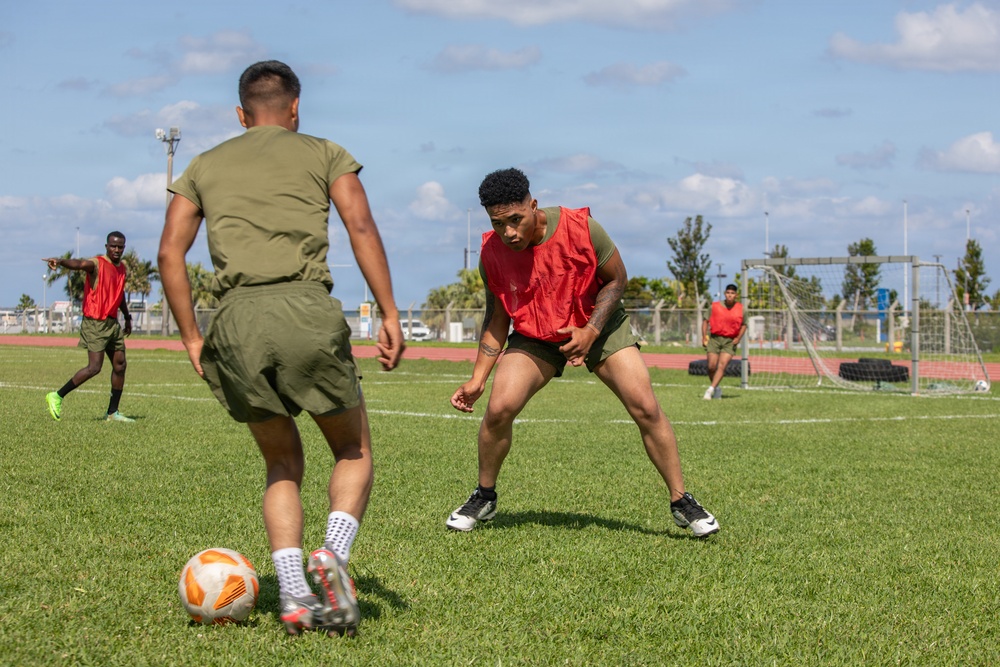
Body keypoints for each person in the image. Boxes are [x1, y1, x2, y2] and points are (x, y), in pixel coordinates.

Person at [157, 60, 404, 637]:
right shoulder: (324, 152)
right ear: (295, 108)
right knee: (352, 450)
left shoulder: (203, 164)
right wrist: (389, 313)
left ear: (241, 115)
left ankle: (292, 595)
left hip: (235, 320)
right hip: (305, 309)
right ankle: (333, 556)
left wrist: (193, 336)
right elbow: (361, 227)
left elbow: (170, 253)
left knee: (280, 462)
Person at [447, 168, 718, 538]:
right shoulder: (492, 254)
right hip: (538, 334)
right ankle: (484, 496)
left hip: (599, 323)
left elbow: (617, 279)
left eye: (516, 220)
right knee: (499, 408)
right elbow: (497, 316)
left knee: (645, 406)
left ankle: (681, 501)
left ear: (533, 206)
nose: (509, 232)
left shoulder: (582, 228)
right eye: (499, 224)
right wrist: (478, 378)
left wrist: (591, 330)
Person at [43, 232, 135, 422]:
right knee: (94, 367)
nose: (116, 250)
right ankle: (57, 396)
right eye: (113, 246)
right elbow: (79, 264)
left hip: (112, 323)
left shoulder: (122, 268)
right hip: (95, 322)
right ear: (106, 246)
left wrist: (127, 317)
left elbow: (120, 294)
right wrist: (60, 261)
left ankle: (112, 413)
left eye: (120, 247)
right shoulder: (97, 263)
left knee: (120, 365)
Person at [701, 283, 747, 400]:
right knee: (711, 367)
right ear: (725, 294)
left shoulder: (742, 309)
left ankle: (709, 390)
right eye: (728, 293)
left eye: (732, 293)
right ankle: (717, 388)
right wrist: (704, 336)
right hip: (714, 339)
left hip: (730, 341)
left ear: (736, 295)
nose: (730, 295)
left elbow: (744, 325)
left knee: (721, 366)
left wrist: (738, 338)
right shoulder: (714, 306)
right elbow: (705, 321)